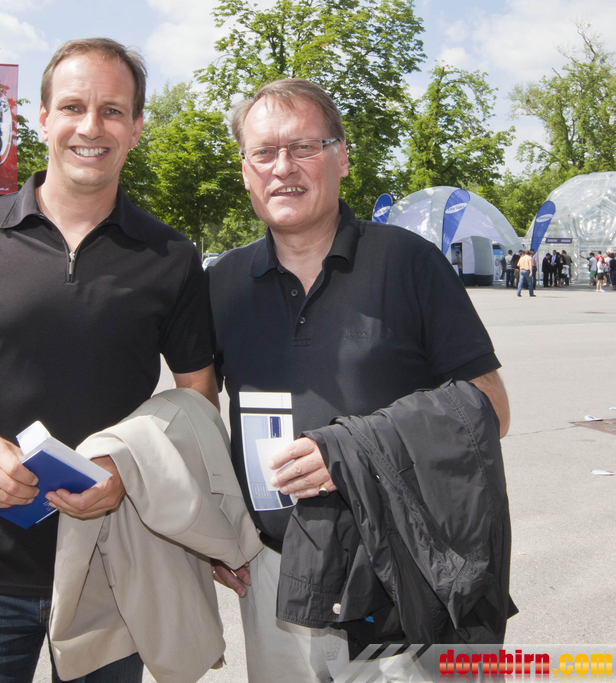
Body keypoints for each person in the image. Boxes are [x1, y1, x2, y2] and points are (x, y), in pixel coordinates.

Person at [0, 38, 217, 683]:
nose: (91, 127)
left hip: (112, 567)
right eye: (72, 107)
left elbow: (197, 396)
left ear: (136, 128)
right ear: (41, 118)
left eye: (112, 111)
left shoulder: (172, 258)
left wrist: (131, 470)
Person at [207, 78, 512, 682]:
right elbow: (200, 410)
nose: (283, 167)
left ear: (342, 157)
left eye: (304, 146)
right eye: (263, 152)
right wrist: (216, 531)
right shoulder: (222, 283)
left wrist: (350, 451)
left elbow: (491, 408)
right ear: (245, 171)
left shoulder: (408, 262)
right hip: (273, 576)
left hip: (400, 565)